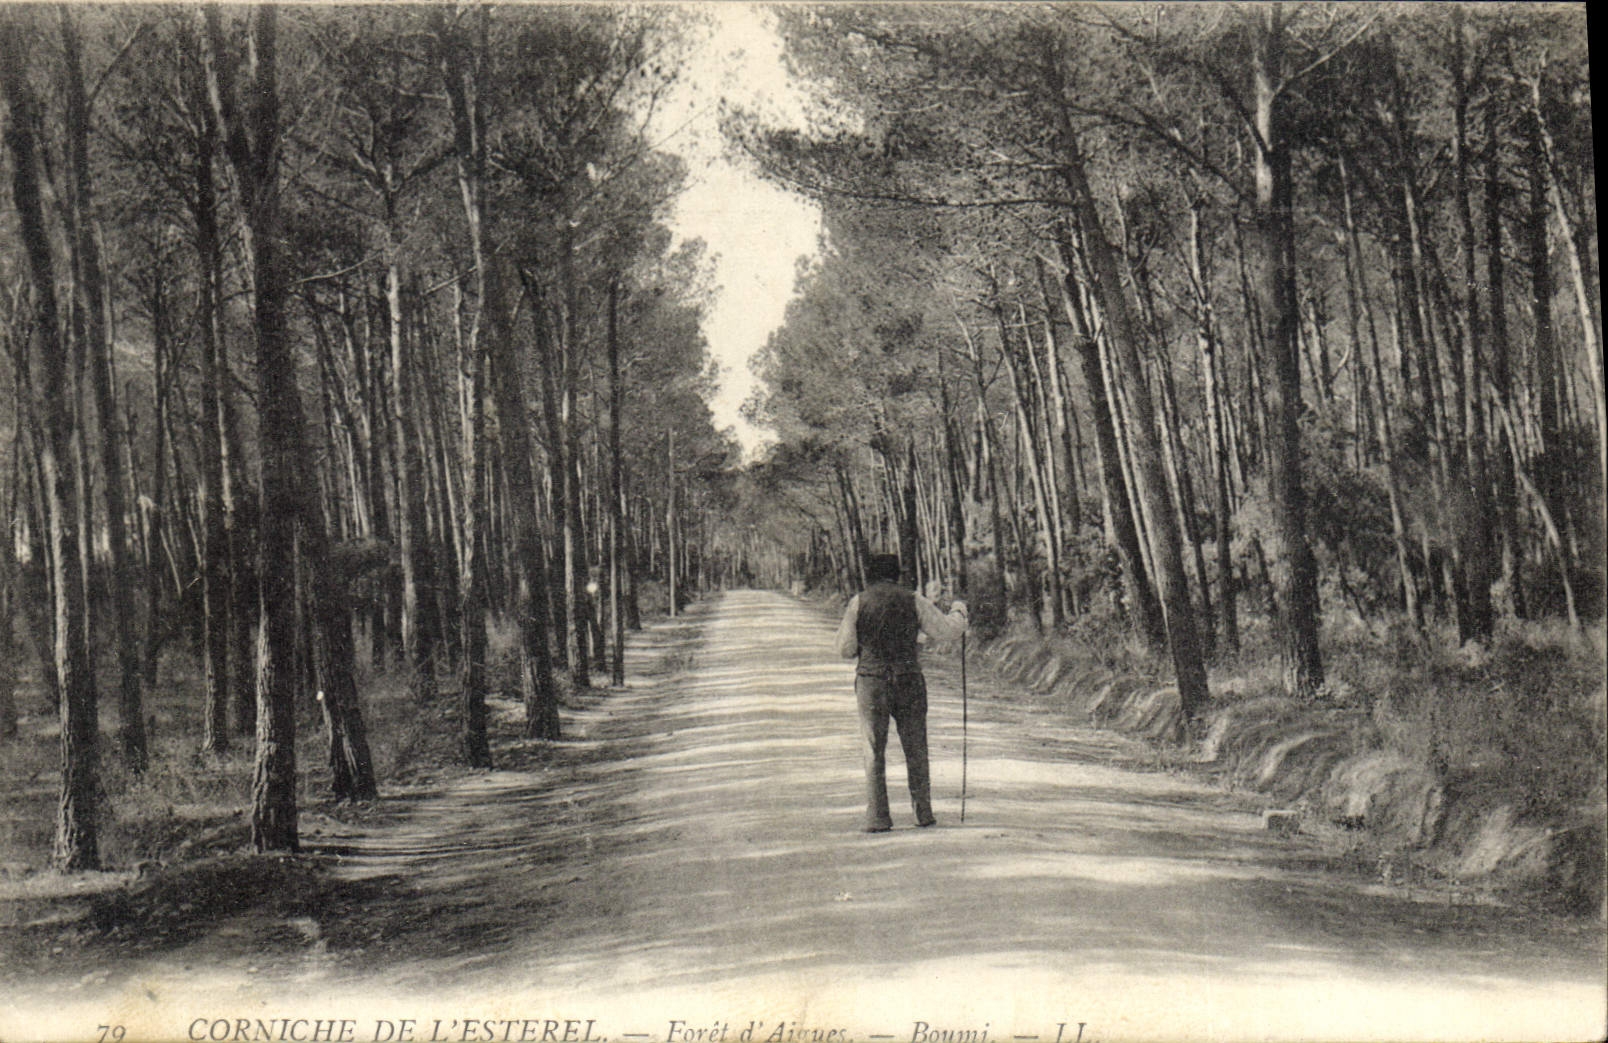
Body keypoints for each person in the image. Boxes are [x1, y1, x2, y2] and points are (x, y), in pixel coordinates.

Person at [835, 553, 968, 832]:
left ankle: (878, 817)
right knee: (916, 747)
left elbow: (845, 649)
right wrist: (960, 611)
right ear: (897, 574)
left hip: (872, 681)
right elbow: (945, 631)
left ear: (870, 574)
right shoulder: (913, 599)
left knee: (873, 751)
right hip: (908, 679)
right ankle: (923, 813)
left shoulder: (858, 602)